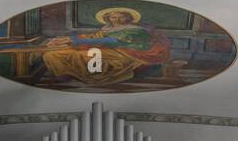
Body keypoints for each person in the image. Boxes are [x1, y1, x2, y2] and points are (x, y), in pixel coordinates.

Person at [40, 7, 173, 87]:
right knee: (53, 54)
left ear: (127, 18)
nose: (113, 19)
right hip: (105, 48)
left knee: (83, 55)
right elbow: (94, 37)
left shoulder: (136, 30)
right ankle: (65, 74)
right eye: (112, 17)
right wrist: (64, 40)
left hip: (125, 53)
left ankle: (88, 77)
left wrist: (73, 40)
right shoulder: (107, 28)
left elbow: (113, 41)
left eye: (117, 17)